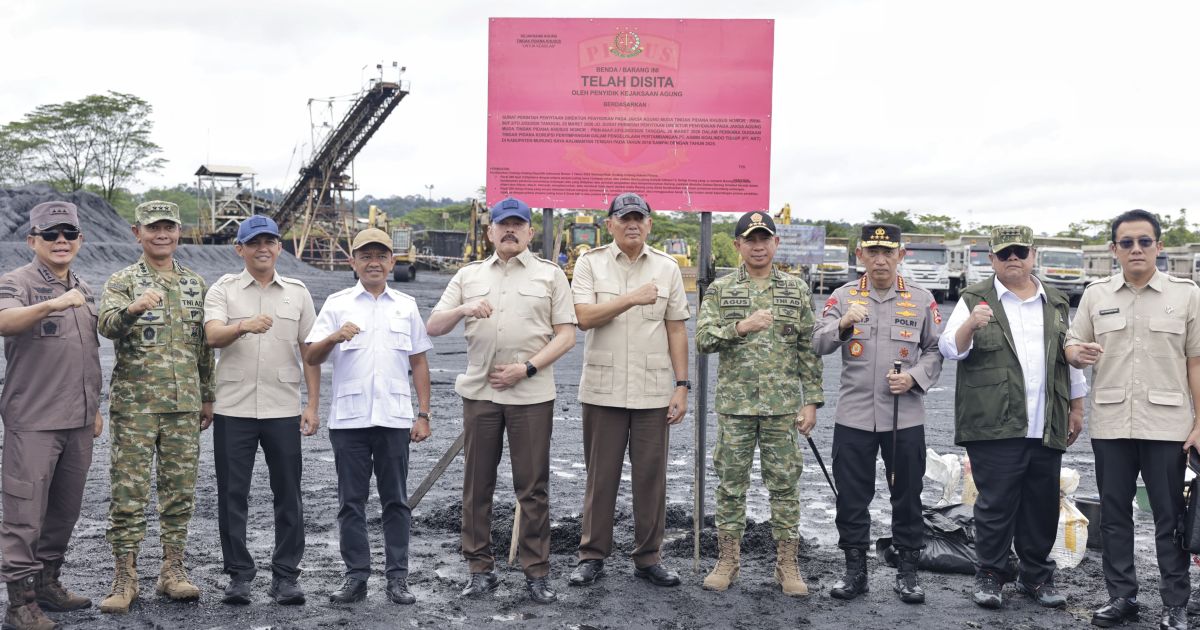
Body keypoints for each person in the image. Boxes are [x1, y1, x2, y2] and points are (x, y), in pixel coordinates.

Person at [426, 197, 576, 604]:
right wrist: (463, 308)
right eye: (502, 225)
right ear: (490, 231)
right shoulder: (468, 276)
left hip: (530, 394)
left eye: (517, 225)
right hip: (480, 394)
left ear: (530, 232)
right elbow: (434, 326)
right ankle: (479, 570)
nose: (510, 231)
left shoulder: (550, 276)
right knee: (477, 486)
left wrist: (525, 368)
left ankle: (536, 573)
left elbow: (566, 335)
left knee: (532, 487)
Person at [940, 225, 1087, 611]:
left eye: (1020, 252)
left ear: (1033, 254)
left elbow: (1068, 358)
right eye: (1004, 254)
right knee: (996, 503)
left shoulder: (1055, 301)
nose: (1013, 259)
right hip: (993, 421)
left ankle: (1035, 576)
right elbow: (949, 348)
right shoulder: (974, 298)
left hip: (1046, 419)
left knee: (1041, 503)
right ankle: (991, 574)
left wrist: (1076, 406)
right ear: (992, 260)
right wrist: (970, 325)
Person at [1066, 210, 1200, 630]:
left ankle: (1175, 603)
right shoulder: (1096, 294)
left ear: (1159, 247)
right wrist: (1075, 353)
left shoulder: (1187, 294)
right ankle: (1121, 597)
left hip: (1168, 426)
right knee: (1115, 515)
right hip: (1111, 423)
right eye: (1127, 243)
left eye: (1145, 241)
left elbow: (1196, 363)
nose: (1136, 249)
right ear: (1114, 250)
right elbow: (1071, 343)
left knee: (1169, 516)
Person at [694, 210, 823, 596]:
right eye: (750, 239)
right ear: (738, 245)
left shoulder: (796, 289)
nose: (758, 245)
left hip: (782, 407)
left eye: (764, 238)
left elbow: (808, 348)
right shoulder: (720, 290)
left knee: (785, 486)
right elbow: (702, 339)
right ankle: (728, 560)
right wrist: (740, 327)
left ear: (776, 244)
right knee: (731, 485)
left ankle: (787, 564)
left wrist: (811, 401)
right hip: (735, 407)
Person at [813, 223, 943, 604]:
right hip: (853, 417)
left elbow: (936, 350)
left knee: (907, 496)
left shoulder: (920, 299)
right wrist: (842, 323)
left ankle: (907, 574)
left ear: (901, 255)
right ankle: (855, 572)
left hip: (905, 417)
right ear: (861, 256)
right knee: (852, 498)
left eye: (889, 252)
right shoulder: (843, 295)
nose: (881, 259)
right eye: (873, 252)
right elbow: (816, 341)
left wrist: (915, 378)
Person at [567, 193, 690, 589]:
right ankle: (592, 556)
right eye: (625, 218)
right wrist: (631, 298)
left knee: (651, 478)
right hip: (603, 390)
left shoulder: (668, 267)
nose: (632, 224)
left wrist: (682, 386)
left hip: (653, 390)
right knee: (600, 478)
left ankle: (648, 557)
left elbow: (675, 328)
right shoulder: (590, 263)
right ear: (610, 224)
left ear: (650, 224)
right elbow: (583, 317)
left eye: (640, 218)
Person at [97, 200, 215, 613]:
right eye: (153, 228)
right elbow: (106, 325)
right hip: (136, 406)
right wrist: (132, 309)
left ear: (179, 232)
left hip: (184, 406)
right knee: (128, 492)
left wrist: (208, 395)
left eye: (169, 227)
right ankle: (125, 576)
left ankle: (172, 570)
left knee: (179, 493)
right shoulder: (123, 280)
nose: (161, 234)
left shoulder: (195, 283)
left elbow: (203, 347)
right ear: (137, 233)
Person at [305, 228, 433, 605]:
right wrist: (333, 337)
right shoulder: (337, 303)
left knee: (396, 501)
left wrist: (423, 413)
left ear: (393, 262)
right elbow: (311, 357)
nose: (373, 262)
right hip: (349, 420)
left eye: (381, 255)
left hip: (394, 419)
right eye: (365, 256)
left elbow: (419, 361)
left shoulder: (406, 305)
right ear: (353, 262)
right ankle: (356, 577)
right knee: (351, 502)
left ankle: (397, 579)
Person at [204, 215, 320, 606]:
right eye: (254, 243)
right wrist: (243, 326)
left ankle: (286, 576)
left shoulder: (298, 293)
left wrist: (313, 405)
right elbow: (211, 335)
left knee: (288, 494)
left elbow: (310, 352)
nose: (263, 248)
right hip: (233, 409)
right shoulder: (223, 289)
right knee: (232, 494)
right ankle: (239, 575)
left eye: (270, 241)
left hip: (282, 408)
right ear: (240, 249)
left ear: (279, 248)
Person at [0, 202, 103, 630]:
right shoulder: (16, 281)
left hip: (78, 422)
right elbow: (4, 321)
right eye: (50, 235)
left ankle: (48, 584)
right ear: (32, 241)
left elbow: (88, 353)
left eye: (69, 234)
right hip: (34, 422)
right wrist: (53, 304)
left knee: (64, 510)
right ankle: (20, 603)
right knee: (25, 513)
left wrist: (94, 409)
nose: (61, 241)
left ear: (79, 239)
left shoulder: (84, 286)